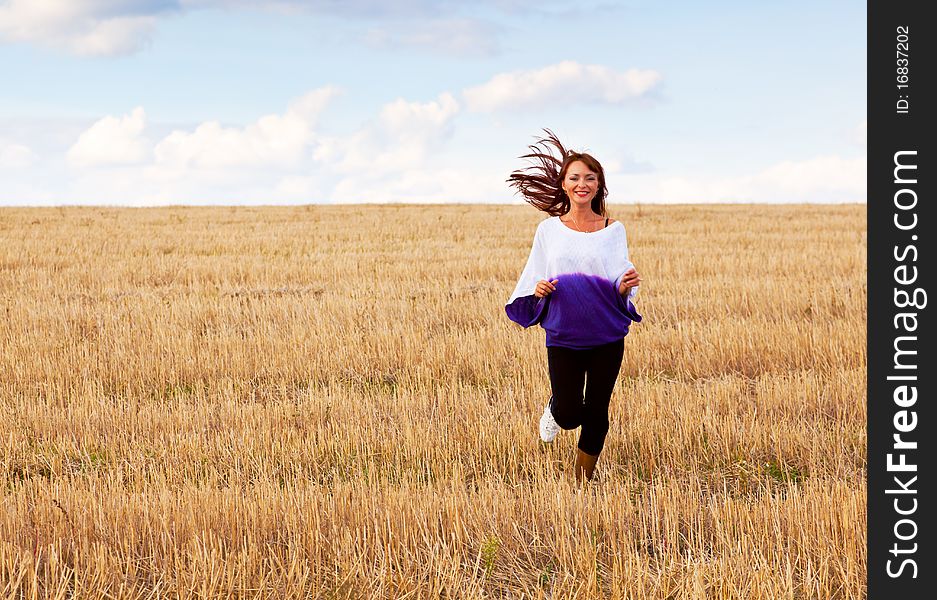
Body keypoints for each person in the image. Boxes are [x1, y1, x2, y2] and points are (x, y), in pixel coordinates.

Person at [505, 129, 642, 484]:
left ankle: (581, 482)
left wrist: (623, 287)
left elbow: (617, 276)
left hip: (606, 333)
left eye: (590, 178)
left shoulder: (613, 229)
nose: (583, 183)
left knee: (597, 411)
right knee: (569, 413)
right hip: (564, 332)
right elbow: (535, 273)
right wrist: (538, 289)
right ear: (564, 184)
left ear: (599, 186)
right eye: (575, 177)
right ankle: (555, 409)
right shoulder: (548, 230)